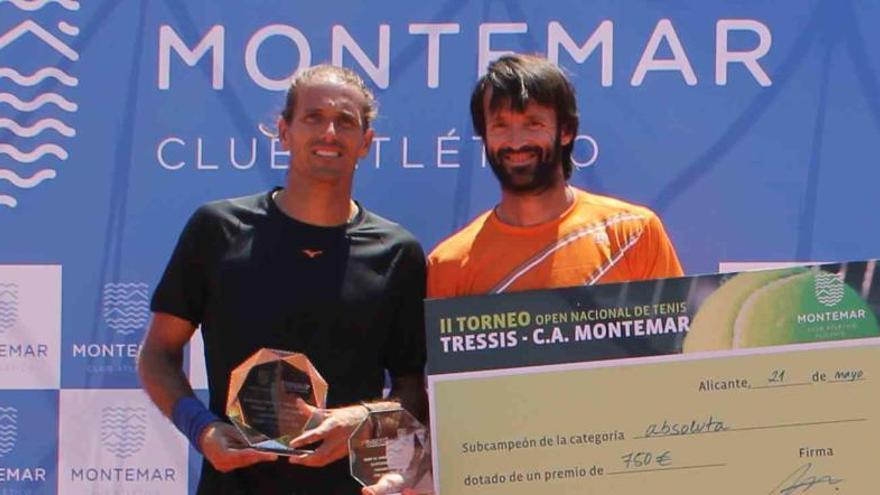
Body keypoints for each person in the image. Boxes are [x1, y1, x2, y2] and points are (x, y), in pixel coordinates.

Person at [138, 65, 427, 495]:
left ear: (366, 142)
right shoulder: (217, 230)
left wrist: (362, 420)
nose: (329, 132)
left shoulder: (397, 252)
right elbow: (157, 354)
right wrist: (202, 431)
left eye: (345, 121)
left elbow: (414, 392)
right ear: (283, 131)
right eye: (313, 117)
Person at [428, 54, 683, 298]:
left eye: (533, 124)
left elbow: (679, 340)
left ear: (566, 131)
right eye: (500, 125)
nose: (516, 142)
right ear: (484, 136)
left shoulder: (634, 235)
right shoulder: (449, 264)